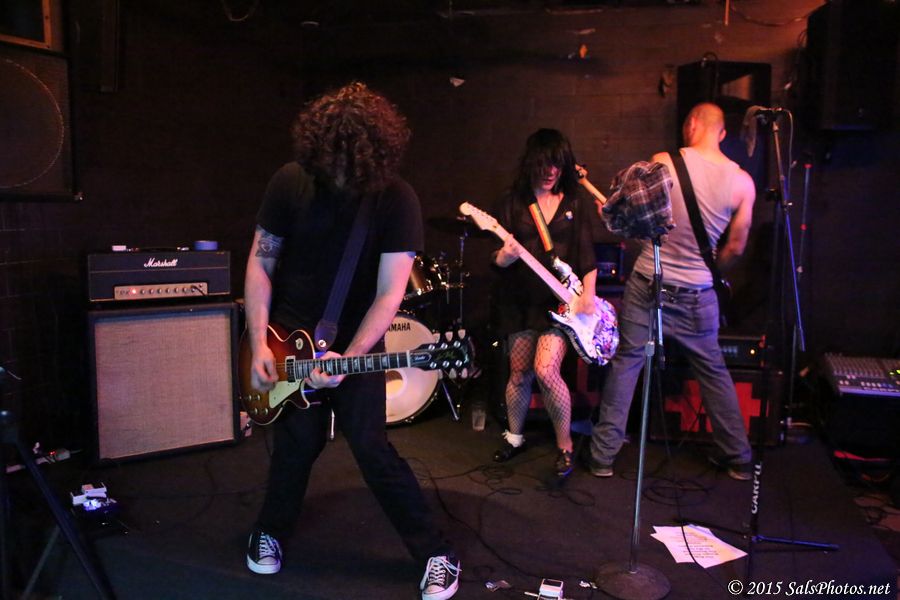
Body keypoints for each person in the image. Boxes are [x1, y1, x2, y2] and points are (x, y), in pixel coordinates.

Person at [243, 82, 460, 600]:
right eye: (329, 159)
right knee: (296, 444)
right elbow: (260, 262)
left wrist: (350, 356)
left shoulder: (396, 200)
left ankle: (435, 553)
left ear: (371, 154)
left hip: (357, 340)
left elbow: (389, 294)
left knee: (370, 446)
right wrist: (258, 344)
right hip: (284, 338)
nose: (337, 171)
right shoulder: (289, 182)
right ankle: (269, 530)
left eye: (348, 161)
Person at [588, 102, 756, 481]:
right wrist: (709, 269)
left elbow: (637, 224)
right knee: (713, 371)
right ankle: (739, 459)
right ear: (722, 133)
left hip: (650, 282)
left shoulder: (663, 163)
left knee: (628, 363)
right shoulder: (743, 183)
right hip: (699, 292)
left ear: (691, 124)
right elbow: (736, 246)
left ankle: (602, 458)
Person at [490, 128, 599, 479]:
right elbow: (495, 258)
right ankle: (514, 436)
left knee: (546, 370)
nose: (550, 171)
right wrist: (505, 257)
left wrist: (588, 295)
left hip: (560, 305)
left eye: (556, 164)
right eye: (543, 164)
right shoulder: (513, 202)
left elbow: (588, 255)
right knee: (519, 372)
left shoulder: (574, 202)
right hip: (520, 301)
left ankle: (564, 445)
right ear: (531, 163)